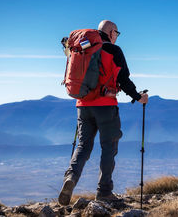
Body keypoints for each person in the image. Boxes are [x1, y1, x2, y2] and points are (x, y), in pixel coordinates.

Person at [58, 20, 148, 205]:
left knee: (83, 146)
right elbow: (123, 79)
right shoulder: (114, 50)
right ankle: (104, 191)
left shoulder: (83, 48)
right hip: (105, 105)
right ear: (111, 32)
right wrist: (138, 97)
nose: (117, 36)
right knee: (109, 147)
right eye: (117, 32)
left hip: (82, 104)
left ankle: (71, 178)